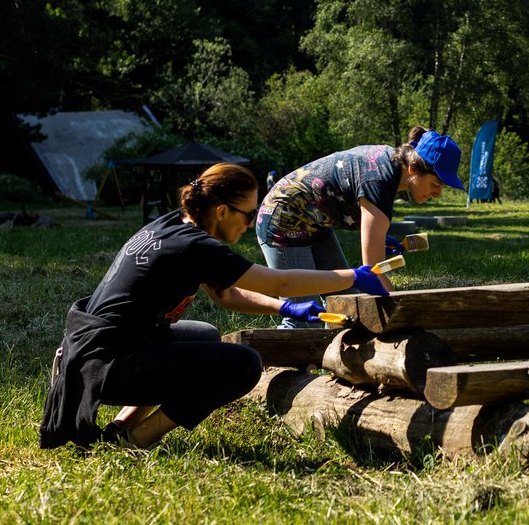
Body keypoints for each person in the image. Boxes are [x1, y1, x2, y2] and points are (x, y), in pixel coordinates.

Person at [39, 163, 388, 450]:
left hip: (97, 349)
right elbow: (278, 281)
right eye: (248, 215)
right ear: (222, 211)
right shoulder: (196, 247)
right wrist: (351, 275)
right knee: (243, 365)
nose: (250, 224)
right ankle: (136, 440)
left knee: (204, 334)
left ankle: (121, 425)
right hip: (105, 367)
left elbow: (225, 296)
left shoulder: (176, 224)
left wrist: (284, 310)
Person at [257, 127, 464, 328]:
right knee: (302, 322)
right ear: (413, 169)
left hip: (314, 225)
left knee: (350, 304)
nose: (437, 193)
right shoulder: (380, 180)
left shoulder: (390, 166)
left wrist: (378, 239)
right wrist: (404, 316)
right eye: (435, 184)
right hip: (282, 219)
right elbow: (374, 270)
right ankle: (265, 360)